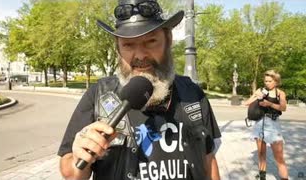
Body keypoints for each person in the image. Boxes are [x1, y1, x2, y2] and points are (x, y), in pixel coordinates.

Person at [58, 0, 221, 179]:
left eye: (151, 41)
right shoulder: (98, 95)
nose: (141, 55)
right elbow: (71, 173)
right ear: (118, 47)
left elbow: (208, 160)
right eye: (128, 44)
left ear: (168, 40)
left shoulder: (192, 94)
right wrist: (79, 155)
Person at [245, 70, 289, 180]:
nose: (267, 83)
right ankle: (262, 177)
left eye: (270, 81)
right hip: (259, 123)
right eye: (265, 81)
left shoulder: (280, 93)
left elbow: (283, 108)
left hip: (273, 125)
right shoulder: (260, 90)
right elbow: (246, 103)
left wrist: (269, 104)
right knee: (261, 154)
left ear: (276, 81)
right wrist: (255, 96)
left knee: (279, 157)